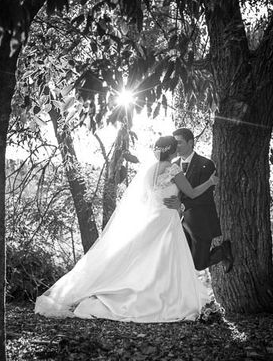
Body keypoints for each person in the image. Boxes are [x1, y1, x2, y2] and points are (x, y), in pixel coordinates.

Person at [35, 136, 217, 322]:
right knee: (164, 260)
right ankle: (163, 297)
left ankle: (151, 292)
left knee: (149, 259)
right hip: (166, 220)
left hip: (153, 218)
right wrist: (210, 182)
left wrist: (175, 203)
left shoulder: (149, 170)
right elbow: (192, 193)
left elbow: (147, 200)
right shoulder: (174, 169)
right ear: (171, 151)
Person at [165, 128, 234, 273]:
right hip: (181, 223)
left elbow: (205, 195)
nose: (176, 146)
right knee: (184, 262)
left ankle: (223, 251)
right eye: (174, 143)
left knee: (198, 264)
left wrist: (182, 205)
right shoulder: (172, 165)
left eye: (179, 143)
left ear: (190, 142)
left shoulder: (206, 164)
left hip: (202, 222)